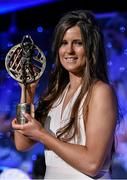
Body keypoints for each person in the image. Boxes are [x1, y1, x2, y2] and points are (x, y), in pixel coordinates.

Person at [12, 10, 118, 179]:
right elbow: (22, 144)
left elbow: (93, 164)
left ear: (91, 47)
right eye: (63, 43)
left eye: (77, 43)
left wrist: (42, 134)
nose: (69, 50)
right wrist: (28, 92)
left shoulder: (100, 92)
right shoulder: (56, 93)